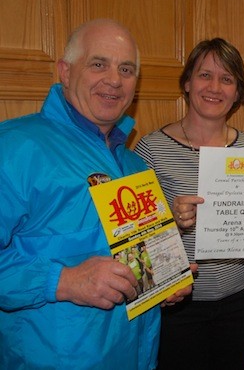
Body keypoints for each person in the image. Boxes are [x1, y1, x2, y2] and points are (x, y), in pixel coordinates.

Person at [0, 19, 191, 369]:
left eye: (127, 69)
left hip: (137, 355)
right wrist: (65, 280)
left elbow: (137, 264)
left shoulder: (136, 167)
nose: (114, 80)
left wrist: (164, 282)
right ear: (66, 71)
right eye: (98, 64)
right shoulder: (12, 148)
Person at [134, 37, 244, 370]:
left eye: (227, 79)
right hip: (178, 304)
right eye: (205, 75)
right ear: (187, 83)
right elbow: (134, 239)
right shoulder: (150, 150)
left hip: (241, 301)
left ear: (237, 92)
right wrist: (171, 221)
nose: (215, 87)